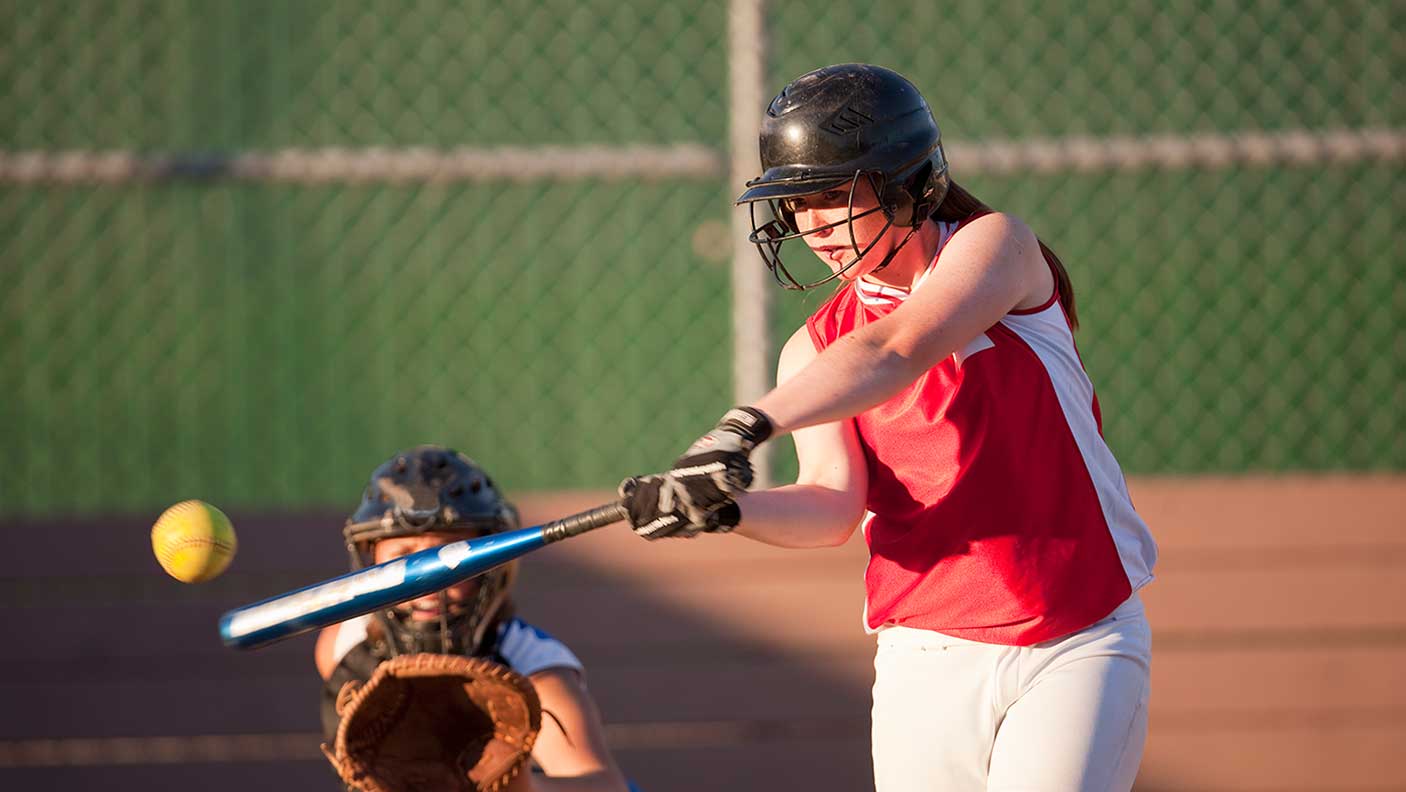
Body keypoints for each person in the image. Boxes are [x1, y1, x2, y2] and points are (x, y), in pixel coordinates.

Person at [620, 64, 1158, 791]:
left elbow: (897, 347)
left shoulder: (994, 247)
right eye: (796, 204)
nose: (812, 226)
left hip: (1076, 632)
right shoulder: (811, 351)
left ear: (906, 184)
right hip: (926, 655)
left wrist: (744, 426)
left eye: (833, 196)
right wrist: (726, 510)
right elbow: (831, 506)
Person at [315, 445, 629, 792]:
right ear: (371, 561)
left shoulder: (533, 671)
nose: (427, 583)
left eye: (451, 560)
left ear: (491, 569)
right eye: (403, 558)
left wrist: (519, 787)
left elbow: (604, 785)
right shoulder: (345, 645)